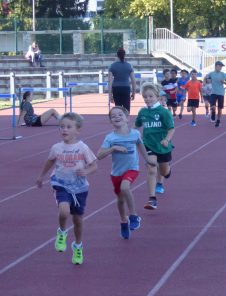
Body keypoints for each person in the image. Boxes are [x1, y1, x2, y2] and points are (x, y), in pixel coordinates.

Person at [36, 112, 98, 265]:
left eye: (69, 127)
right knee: (64, 210)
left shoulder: (82, 147)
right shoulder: (57, 148)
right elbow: (50, 162)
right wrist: (41, 176)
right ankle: (62, 232)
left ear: (78, 130)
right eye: (62, 127)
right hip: (60, 183)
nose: (64, 129)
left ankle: (78, 246)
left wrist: (86, 171)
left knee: (77, 220)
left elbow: (94, 165)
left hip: (79, 187)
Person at [97, 106, 154, 239]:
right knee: (120, 200)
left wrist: (147, 160)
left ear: (127, 118)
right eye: (113, 116)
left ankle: (134, 216)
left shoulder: (135, 134)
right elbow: (99, 155)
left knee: (125, 187)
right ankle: (124, 221)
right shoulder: (110, 138)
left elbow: (140, 145)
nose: (117, 117)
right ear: (110, 121)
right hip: (116, 173)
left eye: (120, 114)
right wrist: (113, 148)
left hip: (132, 168)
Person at [135, 83, 175, 210]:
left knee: (163, 171)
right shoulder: (142, 112)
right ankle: (152, 199)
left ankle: (167, 171)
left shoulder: (164, 112)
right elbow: (136, 126)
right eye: (145, 97)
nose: (147, 99)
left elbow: (171, 129)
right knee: (152, 168)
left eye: (150, 96)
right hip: (148, 144)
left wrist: (167, 139)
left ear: (157, 97)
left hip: (163, 146)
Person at [108, 48, 136, 112]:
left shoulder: (112, 66)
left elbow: (110, 82)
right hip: (126, 88)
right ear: (124, 55)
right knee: (126, 108)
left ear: (117, 55)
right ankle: (126, 120)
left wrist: (110, 95)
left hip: (116, 88)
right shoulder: (129, 66)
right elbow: (133, 81)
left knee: (118, 107)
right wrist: (133, 93)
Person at [207, 61, 226, 127]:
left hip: (220, 93)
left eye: (221, 66)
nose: (221, 67)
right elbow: (206, 79)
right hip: (213, 93)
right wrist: (207, 81)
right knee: (213, 106)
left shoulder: (222, 74)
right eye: (220, 66)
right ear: (216, 66)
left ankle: (218, 121)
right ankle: (213, 113)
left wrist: (224, 82)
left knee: (220, 108)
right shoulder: (211, 73)